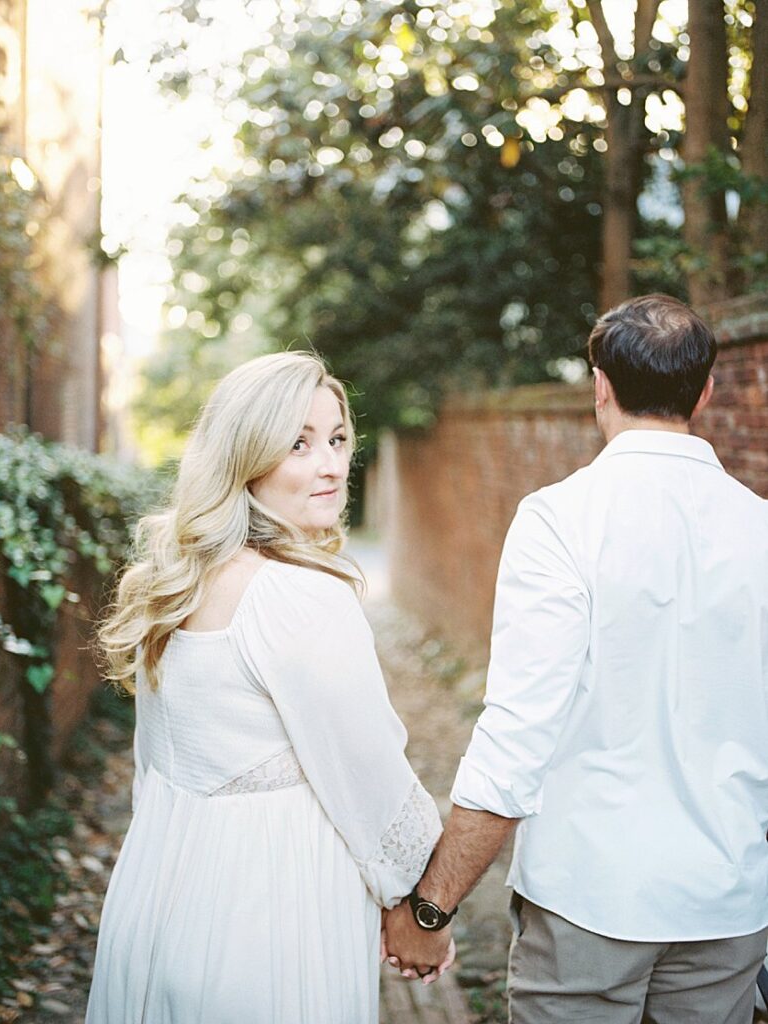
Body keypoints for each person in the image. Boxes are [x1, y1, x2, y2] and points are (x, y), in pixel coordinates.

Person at [384, 294, 768, 1023]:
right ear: (707, 392)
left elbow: (516, 735)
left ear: (600, 387)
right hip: (727, 909)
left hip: (591, 902)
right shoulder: (761, 529)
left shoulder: (560, 521)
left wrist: (429, 909)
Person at [86, 351, 451, 1024]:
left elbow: (154, 768)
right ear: (245, 457)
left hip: (159, 893)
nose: (332, 464)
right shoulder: (298, 595)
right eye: (298, 444)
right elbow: (371, 779)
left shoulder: (180, 582)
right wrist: (421, 909)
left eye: (337, 439)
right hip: (272, 914)